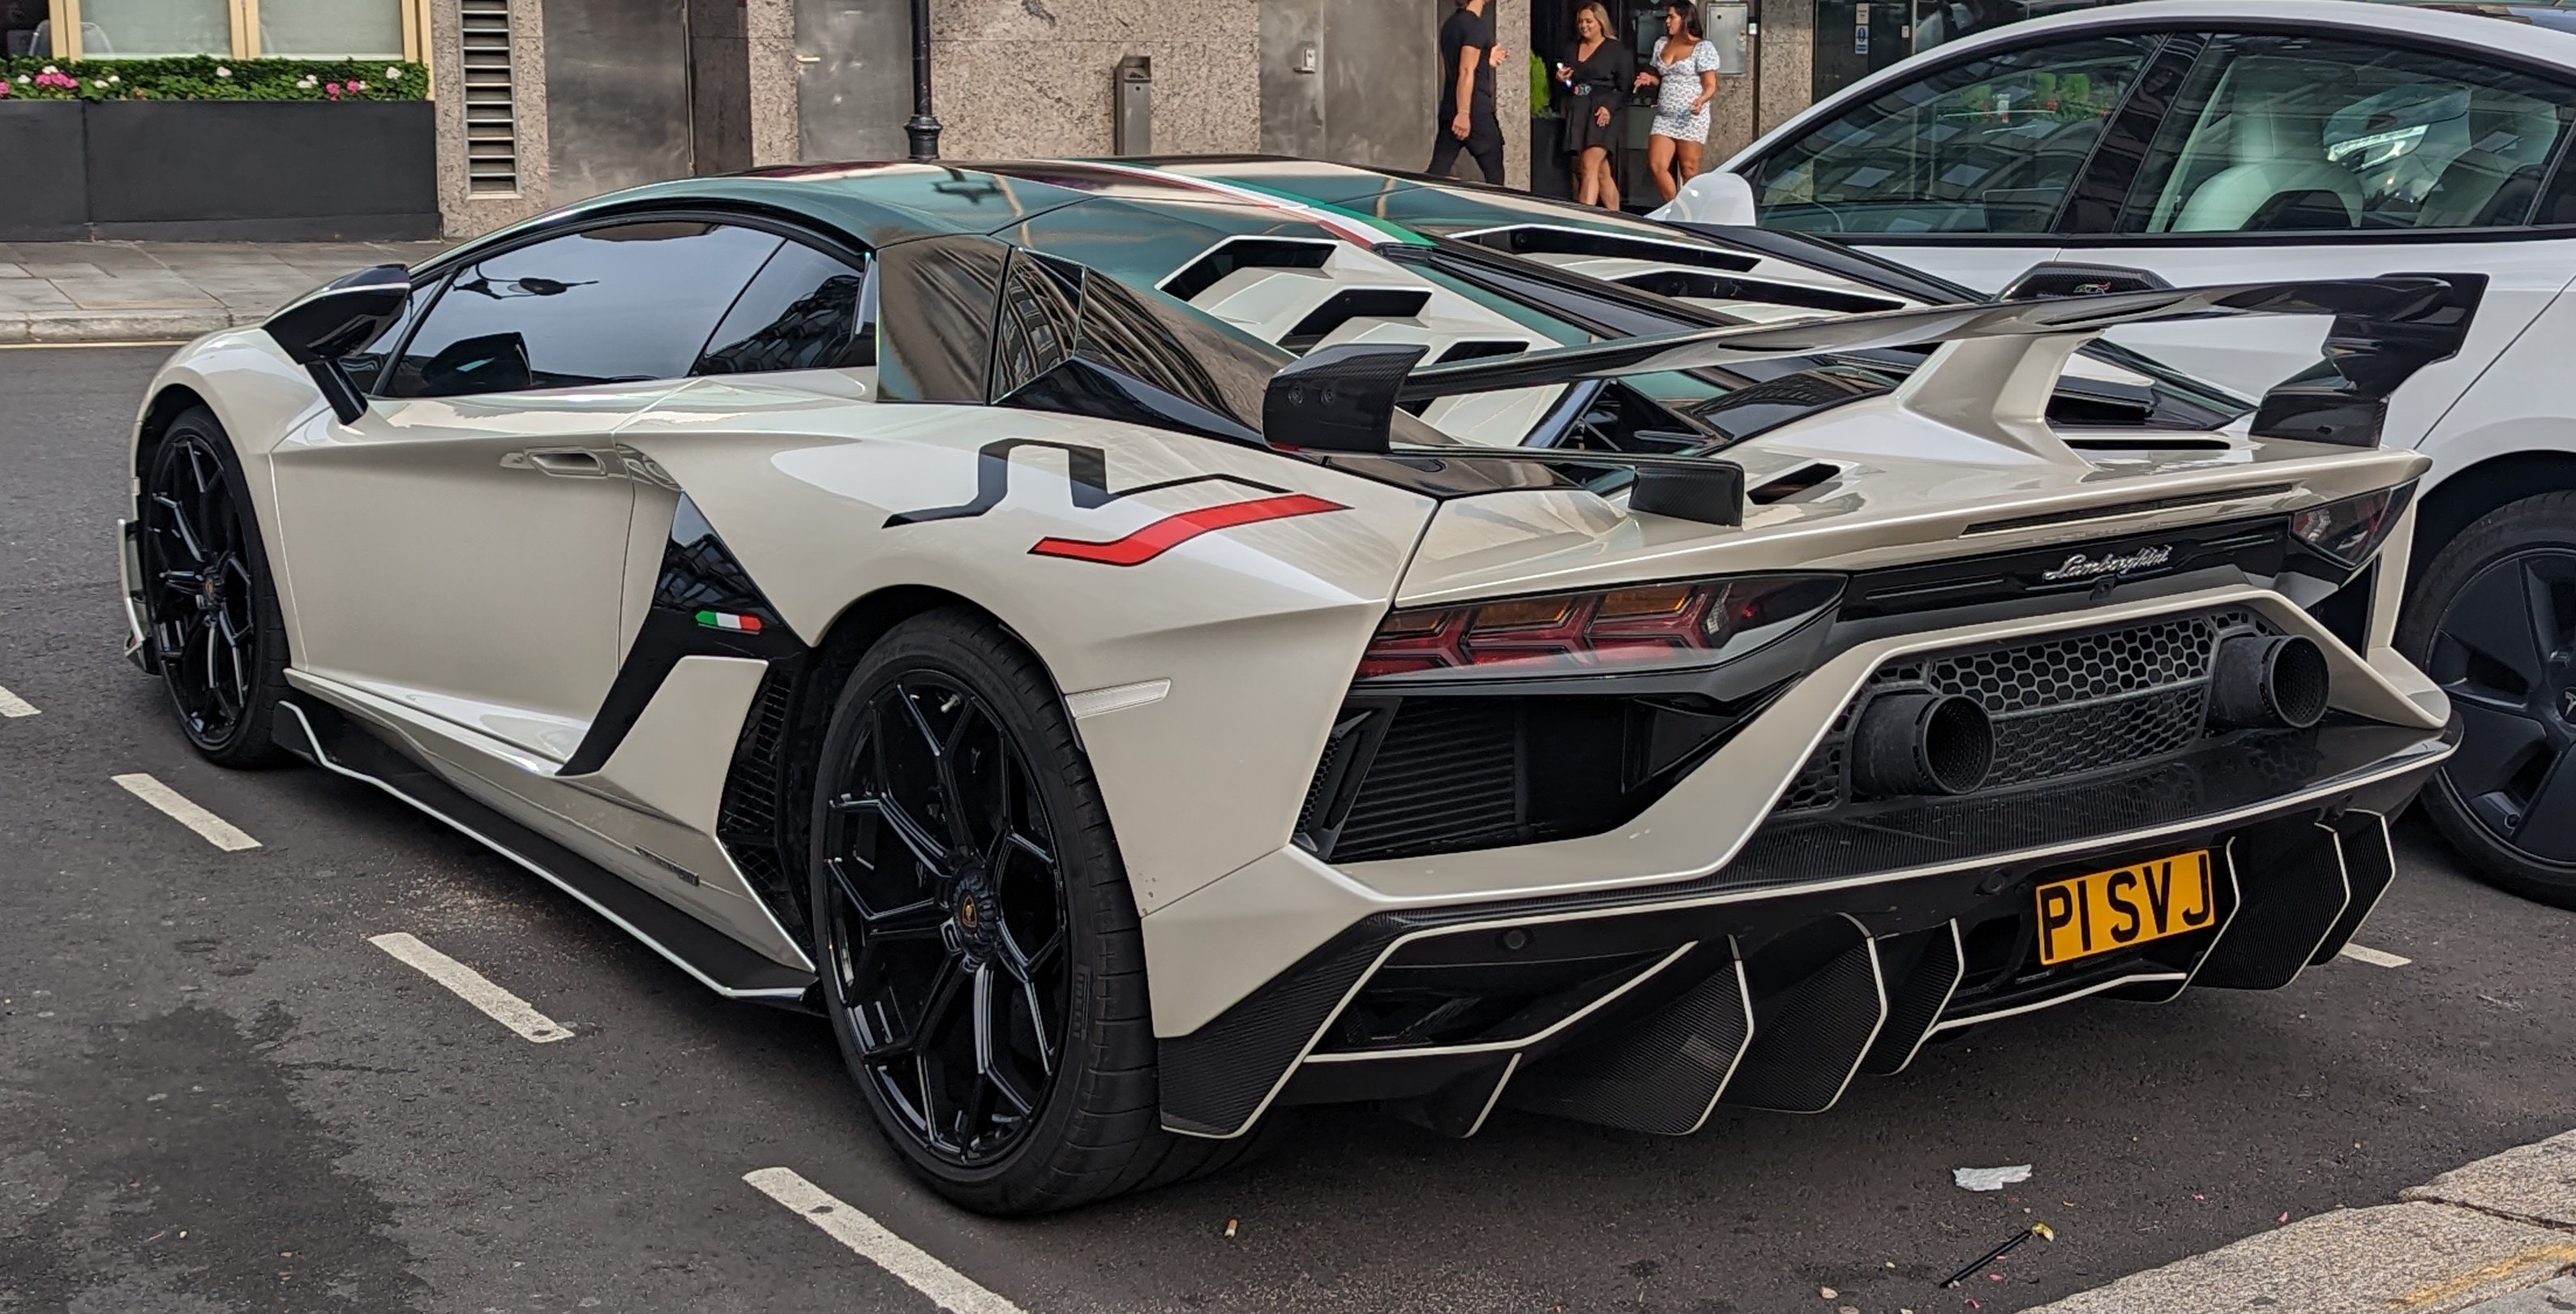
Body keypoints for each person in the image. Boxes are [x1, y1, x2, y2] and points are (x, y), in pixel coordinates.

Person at [1633, 1, 1721, 203]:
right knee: (1657, 164)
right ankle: (1675, 206)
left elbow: (1710, 84)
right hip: (1665, 116)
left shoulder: (1702, 47)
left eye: (1672, 16)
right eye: (1667, 16)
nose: (1667, 21)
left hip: (1690, 116)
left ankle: (1695, 212)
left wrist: (1701, 99)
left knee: (1689, 169)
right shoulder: (1661, 44)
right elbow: (1661, 78)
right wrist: (1650, 80)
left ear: (1685, 18)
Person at [1554, 4, 1632, 211]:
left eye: (1589, 21)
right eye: (1581, 21)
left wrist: (1609, 106)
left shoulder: (1617, 50)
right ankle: (1617, 218)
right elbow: (1570, 85)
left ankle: (1583, 220)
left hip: (1603, 113)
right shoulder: (1572, 48)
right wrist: (1563, 80)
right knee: (1600, 171)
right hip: (1579, 110)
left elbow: (1625, 87)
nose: (1584, 26)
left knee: (1589, 165)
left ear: (1600, 22)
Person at [1429, 0, 1510, 185]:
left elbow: (1460, 64)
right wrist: (1464, 113)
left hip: (1451, 109)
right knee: (1495, 178)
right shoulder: (1475, 26)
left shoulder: (1451, 25)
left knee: (1436, 173)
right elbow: (1466, 71)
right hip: (1474, 112)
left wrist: (1486, 58)